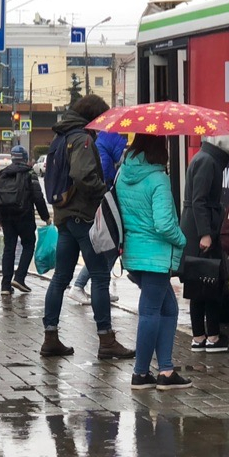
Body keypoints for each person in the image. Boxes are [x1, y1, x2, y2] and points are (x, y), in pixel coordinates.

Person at [40, 95, 134, 361]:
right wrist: (102, 191)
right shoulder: (81, 138)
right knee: (101, 276)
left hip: (65, 217)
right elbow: (83, 176)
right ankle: (106, 339)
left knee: (60, 278)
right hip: (83, 216)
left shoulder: (60, 137)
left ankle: (50, 337)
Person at [115, 134, 190, 391]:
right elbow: (164, 224)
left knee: (168, 309)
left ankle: (166, 371)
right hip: (155, 257)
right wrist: (181, 239)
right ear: (161, 149)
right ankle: (141, 373)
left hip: (134, 256)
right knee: (150, 312)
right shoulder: (158, 179)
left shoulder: (123, 174)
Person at [180, 134, 229, 352]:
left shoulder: (204, 158)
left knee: (199, 283)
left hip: (198, 228)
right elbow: (199, 200)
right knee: (209, 283)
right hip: (201, 231)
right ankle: (210, 337)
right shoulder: (208, 161)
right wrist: (205, 233)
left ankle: (200, 336)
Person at [69, 130, 127, 303]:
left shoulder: (102, 144)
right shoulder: (104, 150)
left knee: (108, 248)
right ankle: (81, 286)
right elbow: (103, 178)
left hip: (102, 204)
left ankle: (99, 287)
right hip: (104, 205)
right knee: (108, 248)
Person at [0, 145, 49, 294]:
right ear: (26, 158)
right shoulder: (30, 174)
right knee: (28, 245)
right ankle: (19, 277)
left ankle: (5, 286)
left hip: (6, 217)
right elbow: (38, 197)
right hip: (24, 216)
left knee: (9, 248)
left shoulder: (3, 174)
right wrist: (45, 217)